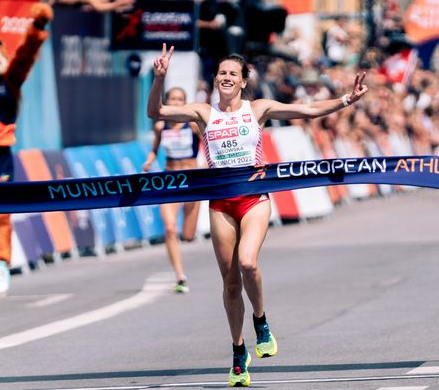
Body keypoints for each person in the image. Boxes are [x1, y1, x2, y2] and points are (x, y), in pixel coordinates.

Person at [147, 43, 368, 387]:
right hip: (220, 203)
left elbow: (306, 111)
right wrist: (159, 79)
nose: (226, 78)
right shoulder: (203, 113)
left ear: (244, 81)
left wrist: (346, 100)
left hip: (254, 198)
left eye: (233, 74)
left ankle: (261, 321)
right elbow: (156, 112)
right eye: (221, 73)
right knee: (231, 283)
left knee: (248, 262)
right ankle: (238, 352)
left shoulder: (258, 108)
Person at [142, 86, 201, 294]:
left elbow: (210, 144)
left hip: (192, 181)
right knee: (169, 228)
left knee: (188, 235)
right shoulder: (161, 126)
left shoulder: (193, 125)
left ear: (185, 103)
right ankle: (180, 275)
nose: (175, 103)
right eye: (172, 99)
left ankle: (186, 242)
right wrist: (149, 161)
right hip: (170, 179)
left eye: (180, 100)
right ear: (167, 102)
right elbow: (154, 150)